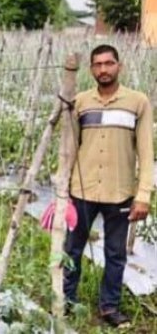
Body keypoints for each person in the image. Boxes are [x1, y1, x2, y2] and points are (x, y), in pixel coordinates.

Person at [63, 44, 153, 328]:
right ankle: (65, 298)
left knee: (115, 253)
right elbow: (68, 147)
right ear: (91, 69)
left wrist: (143, 195)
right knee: (72, 248)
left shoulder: (137, 102)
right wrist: (62, 188)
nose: (103, 69)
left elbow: (147, 152)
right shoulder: (79, 102)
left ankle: (109, 306)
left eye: (109, 63)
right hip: (82, 190)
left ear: (119, 66)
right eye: (98, 65)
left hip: (120, 192)